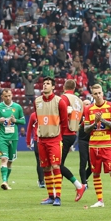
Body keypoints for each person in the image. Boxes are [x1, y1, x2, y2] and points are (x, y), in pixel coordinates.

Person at [82, 84, 111, 208]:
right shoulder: (88, 109)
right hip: (93, 146)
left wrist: (102, 120)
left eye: (100, 93)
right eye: (95, 94)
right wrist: (95, 122)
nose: (98, 95)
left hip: (108, 145)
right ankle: (100, 201)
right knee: (95, 173)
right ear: (92, 95)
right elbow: (86, 129)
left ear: (103, 93)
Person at [34, 78, 70, 206]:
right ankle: (50, 196)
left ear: (53, 87)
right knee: (46, 167)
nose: (45, 85)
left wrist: (61, 138)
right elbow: (38, 119)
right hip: (42, 139)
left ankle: (58, 197)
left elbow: (64, 122)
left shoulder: (59, 101)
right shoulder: (37, 101)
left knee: (56, 166)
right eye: (44, 83)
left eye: (48, 84)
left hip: (54, 139)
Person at [59, 79, 87, 200]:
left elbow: (59, 115)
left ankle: (79, 186)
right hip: (73, 133)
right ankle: (56, 193)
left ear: (64, 87)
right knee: (59, 164)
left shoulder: (63, 98)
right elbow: (83, 119)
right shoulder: (80, 101)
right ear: (74, 89)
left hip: (63, 133)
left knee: (56, 164)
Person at [0, 88, 25, 190]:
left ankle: (6, 181)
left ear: (12, 95)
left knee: (10, 161)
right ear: (2, 97)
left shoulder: (17, 107)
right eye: (5, 96)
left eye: (9, 96)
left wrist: (15, 120)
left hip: (13, 138)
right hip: (2, 137)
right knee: (4, 158)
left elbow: (23, 121)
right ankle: (3, 181)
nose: (8, 98)